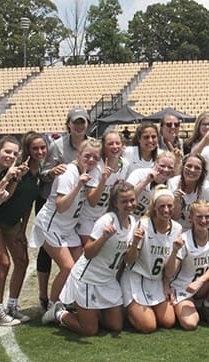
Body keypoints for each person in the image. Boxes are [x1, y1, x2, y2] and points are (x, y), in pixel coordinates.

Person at [44, 181, 137, 335]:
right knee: (90, 330)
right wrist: (104, 238)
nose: (129, 204)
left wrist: (137, 243)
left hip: (108, 280)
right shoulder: (106, 221)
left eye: (132, 200)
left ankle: (90, 312)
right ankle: (59, 313)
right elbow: (87, 253)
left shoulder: (133, 222)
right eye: (124, 201)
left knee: (116, 326)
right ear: (115, 203)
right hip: (88, 280)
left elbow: (128, 260)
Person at [30, 139, 102, 322]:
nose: (91, 160)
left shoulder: (92, 172)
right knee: (68, 267)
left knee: (81, 265)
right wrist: (79, 184)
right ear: (78, 154)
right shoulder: (68, 173)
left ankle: (69, 301)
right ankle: (52, 307)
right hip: (51, 225)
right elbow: (61, 206)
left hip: (68, 228)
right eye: (87, 156)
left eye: (95, 157)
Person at [36, 106, 92, 312]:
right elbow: (43, 174)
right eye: (75, 122)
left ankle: (68, 298)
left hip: (75, 209)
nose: (79, 126)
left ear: (88, 124)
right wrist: (53, 172)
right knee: (50, 256)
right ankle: (47, 299)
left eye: (82, 122)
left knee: (76, 261)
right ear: (68, 124)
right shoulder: (58, 146)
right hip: (53, 204)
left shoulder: (93, 146)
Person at [0, 136, 39, 326]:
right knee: (4, 263)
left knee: (22, 260)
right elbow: (0, 199)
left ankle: (12, 306)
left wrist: (22, 230)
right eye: (7, 152)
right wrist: (13, 178)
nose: (11, 156)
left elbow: (26, 204)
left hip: (13, 223)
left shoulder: (32, 174)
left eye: (15, 153)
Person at [121, 187, 184, 333]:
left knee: (168, 322)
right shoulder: (143, 224)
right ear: (154, 207)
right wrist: (136, 242)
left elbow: (169, 271)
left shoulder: (177, 228)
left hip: (157, 281)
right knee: (149, 326)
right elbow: (128, 261)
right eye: (162, 206)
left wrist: (175, 250)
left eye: (169, 206)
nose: (166, 210)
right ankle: (127, 311)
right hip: (136, 278)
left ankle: (143, 310)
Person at [164, 200, 209, 329]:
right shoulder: (183, 239)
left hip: (202, 285)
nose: (203, 221)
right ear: (191, 218)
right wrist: (175, 250)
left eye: (207, 217)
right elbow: (169, 272)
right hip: (184, 287)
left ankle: (207, 307)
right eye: (199, 217)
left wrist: (199, 281)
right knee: (190, 324)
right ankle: (191, 306)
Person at [77, 130, 130, 243]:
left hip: (105, 216)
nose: (115, 146)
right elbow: (92, 201)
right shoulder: (97, 167)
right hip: (88, 218)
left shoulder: (125, 164)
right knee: (88, 253)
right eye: (110, 144)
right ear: (104, 147)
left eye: (117, 143)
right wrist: (103, 180)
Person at [168, 154, 209, 230]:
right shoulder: (172, 183)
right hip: (174, 229)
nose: (192, 170)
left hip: (197, 230)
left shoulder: (206, 189)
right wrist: (177, 202)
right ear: (182, 167)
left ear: (202, 172)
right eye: (189, 166)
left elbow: (208, 219)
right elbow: (173, 217)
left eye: (197, 168)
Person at [126, 151, 176, 218]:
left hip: (149, 224)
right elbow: (126, 196)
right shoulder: (139, 173)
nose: (166, 170)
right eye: (162, 166)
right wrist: (146, 181)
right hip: (129, 217)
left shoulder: (172, 186)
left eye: (170, 167)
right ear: (155, 163)